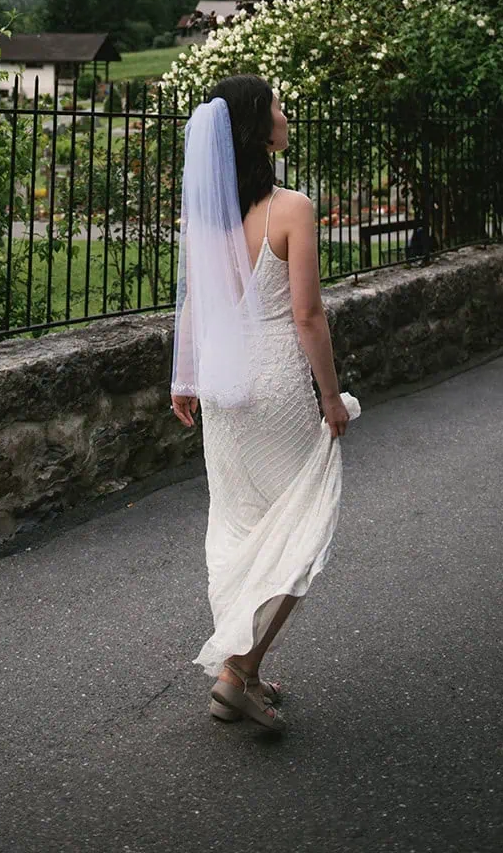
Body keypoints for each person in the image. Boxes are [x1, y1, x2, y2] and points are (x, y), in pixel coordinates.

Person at [171, 74, 359, 732]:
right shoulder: (293, 208)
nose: (285, 112)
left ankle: (243, 669)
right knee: (300, 527)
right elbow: (307, 314)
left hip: (224, 388)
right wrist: (331, 398)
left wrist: (183, 378)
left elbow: (196, 298)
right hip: (278, 384)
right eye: (278, 103)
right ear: (259, 124)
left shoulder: (210, 212)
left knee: (242, 525)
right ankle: (238, 672)